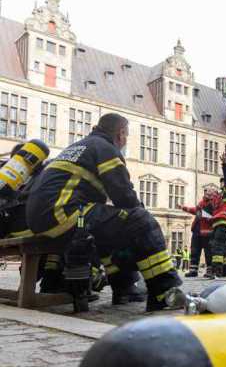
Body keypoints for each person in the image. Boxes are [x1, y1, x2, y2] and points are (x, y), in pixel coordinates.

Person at [26, 113, 186, 311]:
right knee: (141, 220)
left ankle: (125, 288)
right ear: (120, 134)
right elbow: (124, 195)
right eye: (126, 136)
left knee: (109, 230)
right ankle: (165, 291)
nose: (125, 141)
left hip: (43, 219)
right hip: (64, 213)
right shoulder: (105, 148)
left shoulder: (79, 147)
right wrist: (142, 218)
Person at [208, 153, 226, 278]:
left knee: (217, 247)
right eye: (221, 182)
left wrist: (224, 164)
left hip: (223, 223)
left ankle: (216, 271)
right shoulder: (220, 195)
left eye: (223, 182)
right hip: (218, 224)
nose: (222, 183)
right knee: (224, 249)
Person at [179, 190, 213, 277]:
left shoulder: (213, 204)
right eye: (206, 193)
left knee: (208, 252)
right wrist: (183, 208)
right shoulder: (201, 203)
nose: (207, 195)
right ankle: (193, 271)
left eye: (209, 194)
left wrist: (202, 213)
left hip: (206, 232)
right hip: (196, 230)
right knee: (194, 251)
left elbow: (212, 216)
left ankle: (210, 271)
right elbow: (195, 210)